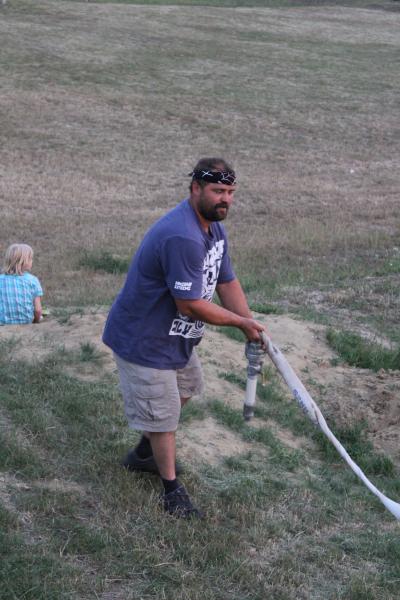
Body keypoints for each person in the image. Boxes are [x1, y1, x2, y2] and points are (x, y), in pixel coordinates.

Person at [103, 157, 266, 519]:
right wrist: (239, 324)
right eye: (218, 191)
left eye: (230, 192)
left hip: (175, 336)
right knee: (164, 418)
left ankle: (144, 453)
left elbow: (226, 281)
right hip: (145, 338)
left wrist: (249, 323)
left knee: (188, 387)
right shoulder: (182, 235)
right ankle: (172, 491)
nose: (225, 199)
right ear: (195, 189)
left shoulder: (213, 229)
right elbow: (189, 304)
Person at [0, 243, 43, 325]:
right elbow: (38, 310)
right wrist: (36, 321)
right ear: (23, 261)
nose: (32, 261)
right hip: (26, 321)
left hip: (3, 322)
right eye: (30, 259)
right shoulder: (33, 280)